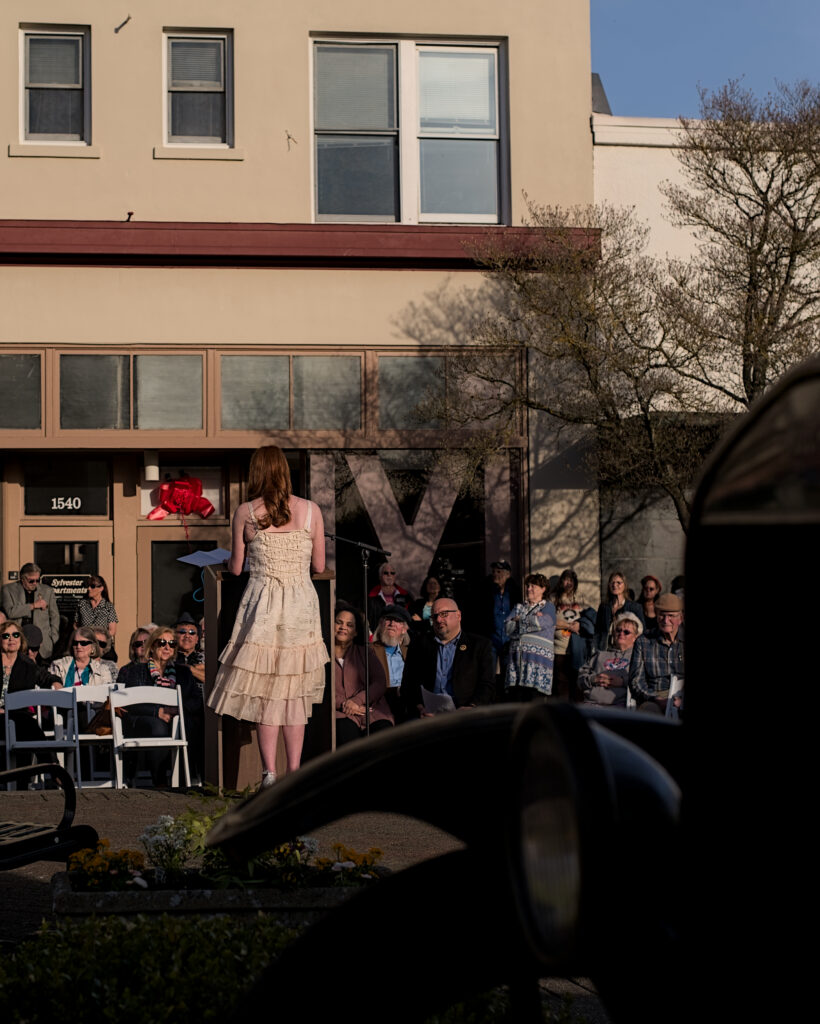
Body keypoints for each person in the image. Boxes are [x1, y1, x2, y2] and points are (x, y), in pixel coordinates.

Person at [207, 444, 329, 789]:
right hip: (300, 606)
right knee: (294, 692)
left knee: (266, 692)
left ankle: (269, 773)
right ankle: (294, 770)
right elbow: (319, 566)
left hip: (261, 605)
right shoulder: (310, 511)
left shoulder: (246, 511)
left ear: (256, 472)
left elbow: (235, 567)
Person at [117, 626, 203, 787]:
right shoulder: (136, 672)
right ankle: (160, 781)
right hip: (144, 719)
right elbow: (128, 703)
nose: (167, 647)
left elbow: (196, 701)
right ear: (152, 645)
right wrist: (158, 711)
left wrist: (178, 709)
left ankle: (185, 780)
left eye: (171, 644)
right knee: (158, 726)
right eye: (162, 642)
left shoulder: (183, 673)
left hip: (176, 717)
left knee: (189, 724)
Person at [401, 598, 494, 719]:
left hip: (465, 715)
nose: (439, 620)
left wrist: (471, 707)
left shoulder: (479, 645)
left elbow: (487, 685)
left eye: (444, 614)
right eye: (434, 616)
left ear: (458, 615)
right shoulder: (419, 644)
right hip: (427, 715)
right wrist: (419, 707)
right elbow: (408, 683)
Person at [333, 604, 394, 746]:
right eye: (339, 623)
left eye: (349, 625)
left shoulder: (366, 653)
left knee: (384, 737)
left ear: (355, 632)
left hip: (371, 710)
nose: (343, 627)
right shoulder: (321, 656)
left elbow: (379, 682)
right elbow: (319, 690)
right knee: (346, 737)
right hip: (340, 713)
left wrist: (357, 701)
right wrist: (344, 704)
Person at [628, 593, 685, 715]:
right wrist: (656, 698)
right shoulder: (643, 641)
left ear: (681, 618)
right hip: (655, 696)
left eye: (671, 616)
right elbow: (636, 682)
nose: (665, 620)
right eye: (661, 615)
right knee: (649, 711)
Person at [0, 620, 48, 761]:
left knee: (26, 725)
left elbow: (45, 676)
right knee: (28, 725)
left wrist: (56, 681)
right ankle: (52, 766)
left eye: (15, 635)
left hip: (16, 717)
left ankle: (46, 767)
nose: (11, 639)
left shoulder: (27, 664)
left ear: (21, 639)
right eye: (6, 636)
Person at [504, 573, 556, 701]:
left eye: (533, 586)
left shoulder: (548, 606)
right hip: (517, 665)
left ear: (543, 589)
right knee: (516, 706)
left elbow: (544, 623)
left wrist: (519, 620)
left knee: (534, 707)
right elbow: (507, 627)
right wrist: (532, 621)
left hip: (537, 664)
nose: (528, 589)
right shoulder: (519, 607)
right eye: (527, 586)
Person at [578, 611, 643, 708]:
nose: (621, 633)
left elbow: (643, 682)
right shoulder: (600, 654)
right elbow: (580, 679)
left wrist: (622, 681)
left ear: (635, 637)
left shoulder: (637, 657)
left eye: (626, 632)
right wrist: (593, 679)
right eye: (618, 630)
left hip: (619, 706)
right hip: (591, 704)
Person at [1, 563, 60, 662]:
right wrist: (33, 606)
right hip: (18, 640)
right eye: (31, 581)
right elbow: (11, 612)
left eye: (38, 580)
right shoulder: (8, 590)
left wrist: (52, 638)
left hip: (41, 644)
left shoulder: (47, 591)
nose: (35, 583)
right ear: (22, 579)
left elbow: (54, 616)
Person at [371, 605, 412, 722]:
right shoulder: (369, 650)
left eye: (398, 621)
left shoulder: (410, 653)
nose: (392, 624)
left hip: (405, 702)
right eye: (388, 619)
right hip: (379, 702)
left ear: (404, 629)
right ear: (381, 624)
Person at [50, 627, 118, 689]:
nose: (78, 646)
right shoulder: (58, 666)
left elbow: (107, 697)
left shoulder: (103, 670)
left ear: (93, 646)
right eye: (75, 643)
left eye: (84, 643)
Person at [73, 575, 118, 650]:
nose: (89, 588)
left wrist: (98, 639)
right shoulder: (82, 604)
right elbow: (75, 625)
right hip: (85, 646)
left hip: (102, 647)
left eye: (92, 586)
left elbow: (112, 630)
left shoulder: (108, 606)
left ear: (101, 588)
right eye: (88, 586)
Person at [595, 570, 645, 638]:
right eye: (612, 582)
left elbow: (642, 631)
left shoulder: (635, 607)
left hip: (628, 647)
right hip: (606, 647)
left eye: (618, 583)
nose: (614, 585)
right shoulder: (603, 607)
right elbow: (598, 631)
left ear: (625, 585)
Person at [367, 562, 412, 632]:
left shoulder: (405, 595)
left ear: (395, 576)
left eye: (392, 573)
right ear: (379, 576)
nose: (389, 575)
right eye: (385, 573)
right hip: (378, 635)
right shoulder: (370, 597)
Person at [174, 612, 205, 686]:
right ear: (174, 637)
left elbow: (213, 679)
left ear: (197, 639)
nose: (187, 635)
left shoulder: (206, 658)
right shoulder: (169, 656)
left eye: (192, 632)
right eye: (182, 632)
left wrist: (190, 668)